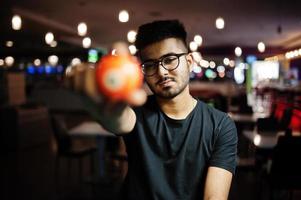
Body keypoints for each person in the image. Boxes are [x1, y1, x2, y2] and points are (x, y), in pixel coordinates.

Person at [69, 19, 237, 200]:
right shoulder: (136, 111)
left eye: (170, 59)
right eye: (150, 64)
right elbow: (120, 120)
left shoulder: (220, 125)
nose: (161, 72)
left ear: (189, 61)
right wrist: (106, 108)